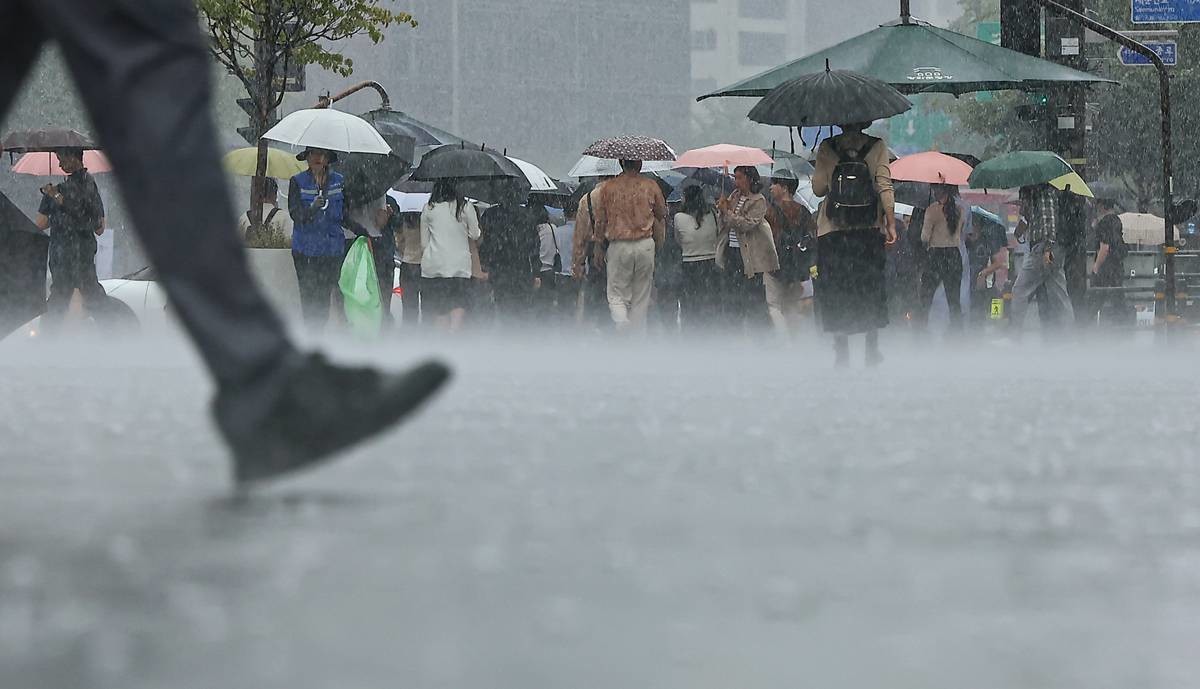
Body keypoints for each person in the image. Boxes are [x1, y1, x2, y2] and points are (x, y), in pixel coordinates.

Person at [2, 0, 449, 485]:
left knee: (149, 60)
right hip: (294, 256)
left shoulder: (333, 183)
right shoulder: (301, 185)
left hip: (95, 254)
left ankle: (261, 380)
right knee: (150, 57)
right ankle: (262, 383)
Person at [810, 121, 896, 367]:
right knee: (869, 289)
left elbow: (817, 189)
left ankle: (841, 351)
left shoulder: (828, 146)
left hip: (833, 231)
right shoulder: (877, 146)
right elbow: (884, 186)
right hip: (867, 230)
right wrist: (889, 222)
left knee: (838, 290)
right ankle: (871, 348)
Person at [33, 147, 107, 328]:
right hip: (84, 253)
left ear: (75, 158)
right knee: (91, 293)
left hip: (63, 253)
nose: (59, 164)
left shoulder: (58, 191)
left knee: (60, 295)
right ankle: (114, 331)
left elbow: (41, 224)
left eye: (62, 159)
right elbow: (100, 228)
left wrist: (55, 199)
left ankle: (47, 337)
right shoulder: (91, 186)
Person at [593, 160, 667, 331]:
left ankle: (621, 321)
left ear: (620, 163)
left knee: (617, 294)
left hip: (619, 244)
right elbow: (662, 212)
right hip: (645, 244)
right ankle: (637, 334)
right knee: (641, 296)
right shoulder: (650, 185)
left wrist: (598, 245)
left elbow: (600, 220)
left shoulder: (608, 188)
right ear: (640, 164)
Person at [716, 166, 779, 333]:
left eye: (740, 178)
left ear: (750, 179)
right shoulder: (734, 196)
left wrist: (727, 213)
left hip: (749, 255)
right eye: (735, 177)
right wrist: (722, 210)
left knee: (753, 297)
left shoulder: (758, 200)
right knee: (731, 296)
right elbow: (724, 223)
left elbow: (746, 224)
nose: (736, 182)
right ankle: (734, 331)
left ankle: (761, 334)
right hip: (732, 251)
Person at [288, 147, 345, 329]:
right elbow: (296, 215)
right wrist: (312, 208)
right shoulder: (297, 182)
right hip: (306, 250)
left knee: (324, 296)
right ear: (307, 157)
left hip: (331, 250)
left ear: (328, 159)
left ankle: (320, 336)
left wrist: (364, 232)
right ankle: (311, 335)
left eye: (322, 154)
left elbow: (345, 213)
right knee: (309, 295)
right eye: (313, 153)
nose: (318, 158)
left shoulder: (339, 182)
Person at [1009, 183, 1074, 333]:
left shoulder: (1043, 193)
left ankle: (1014, 334)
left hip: (1042, 248)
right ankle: (1069, 334)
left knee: (1020, 290)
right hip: (1050, 248)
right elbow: (1030, 218)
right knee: (1059, 294)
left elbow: (1048, 221)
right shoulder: (1039, 194)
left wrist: (1048, 248)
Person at [420, 179, 479, 332]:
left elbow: (424, 243)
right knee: (458, 303)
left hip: (434, 266)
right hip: (459, 266)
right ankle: (454, 334)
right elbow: (475, 234)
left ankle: (443, 341)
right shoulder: (465, 207)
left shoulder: (428, 208)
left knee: (440, 307)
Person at [764, 169, 817, 339]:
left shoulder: (771, 212)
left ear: (785, 187)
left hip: (776, 266)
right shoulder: (804, 212)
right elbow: (812, 237)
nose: (771, 187)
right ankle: (798, 340)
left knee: (774, 306)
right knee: (795, 307)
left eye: (774, 184)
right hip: (799, 268)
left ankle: (785, 342)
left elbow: (769, 238)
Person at [478, 187, 539, 324]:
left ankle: (505, 337)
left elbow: (485, 243)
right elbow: (534, 246)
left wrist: (484, 265)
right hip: (522, 270)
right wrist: (536, 272)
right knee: (521, 309)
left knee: (502, 306)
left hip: (498, 269)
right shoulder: (527, 215)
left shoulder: (490, 214)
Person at [917, 184, 965, 333]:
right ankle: (957, 331)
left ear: (938, 191)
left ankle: (921, 329)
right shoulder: (960, 210)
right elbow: (959, 232)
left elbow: (924, 237)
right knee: (953, 298)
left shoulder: (932, 210)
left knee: (926, 295)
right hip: (954, 255)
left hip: (935, 255)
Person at [674, 184, 720, 330]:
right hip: (711, 263)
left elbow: (678, 240)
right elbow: (718, 234)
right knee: (709, 301)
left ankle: (691, 335)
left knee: (690, 304)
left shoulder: (678, 217)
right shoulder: (713, 213)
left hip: (689, 264)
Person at [571, 178, 612, 329]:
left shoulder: (587, 199)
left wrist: (578, 264)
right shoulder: (623, 196)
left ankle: (596, 334)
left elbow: (580, 237)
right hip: (621, 254)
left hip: (596, 257)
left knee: (595, 300)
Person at [1087, 196, 1128, 327]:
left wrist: (1096, 266)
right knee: (1118, 297)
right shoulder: (1117, 221)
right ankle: (1123, 326)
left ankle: (1082, 326)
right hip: (1117, 265)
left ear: (1103, 206)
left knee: (1096, 298)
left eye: (1098, 205)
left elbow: (1104, 247)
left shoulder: (1104, 223)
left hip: (1106, 267)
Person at [965, 215, 1010, 329]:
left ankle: (995, 325)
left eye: (973, 225)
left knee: (993, 303)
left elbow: (998, 262)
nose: (971, 229)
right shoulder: (963, 242)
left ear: (978, 226)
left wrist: (983, 274)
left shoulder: (987, 242)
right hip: (966, 282)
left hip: (986, 282)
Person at [238, 177, 293, 249]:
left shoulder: (244, 218)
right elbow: (288, 244)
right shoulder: (284, 217)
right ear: (275, 195)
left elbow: (237, 244)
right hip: (275, 259)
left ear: (256, 195)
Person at [553, 198, 579, 322]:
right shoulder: (582, 232)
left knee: (563, 308)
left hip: (562, 274)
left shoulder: (557, 232)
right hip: (579, 273)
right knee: (579, 308)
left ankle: (564, 331)